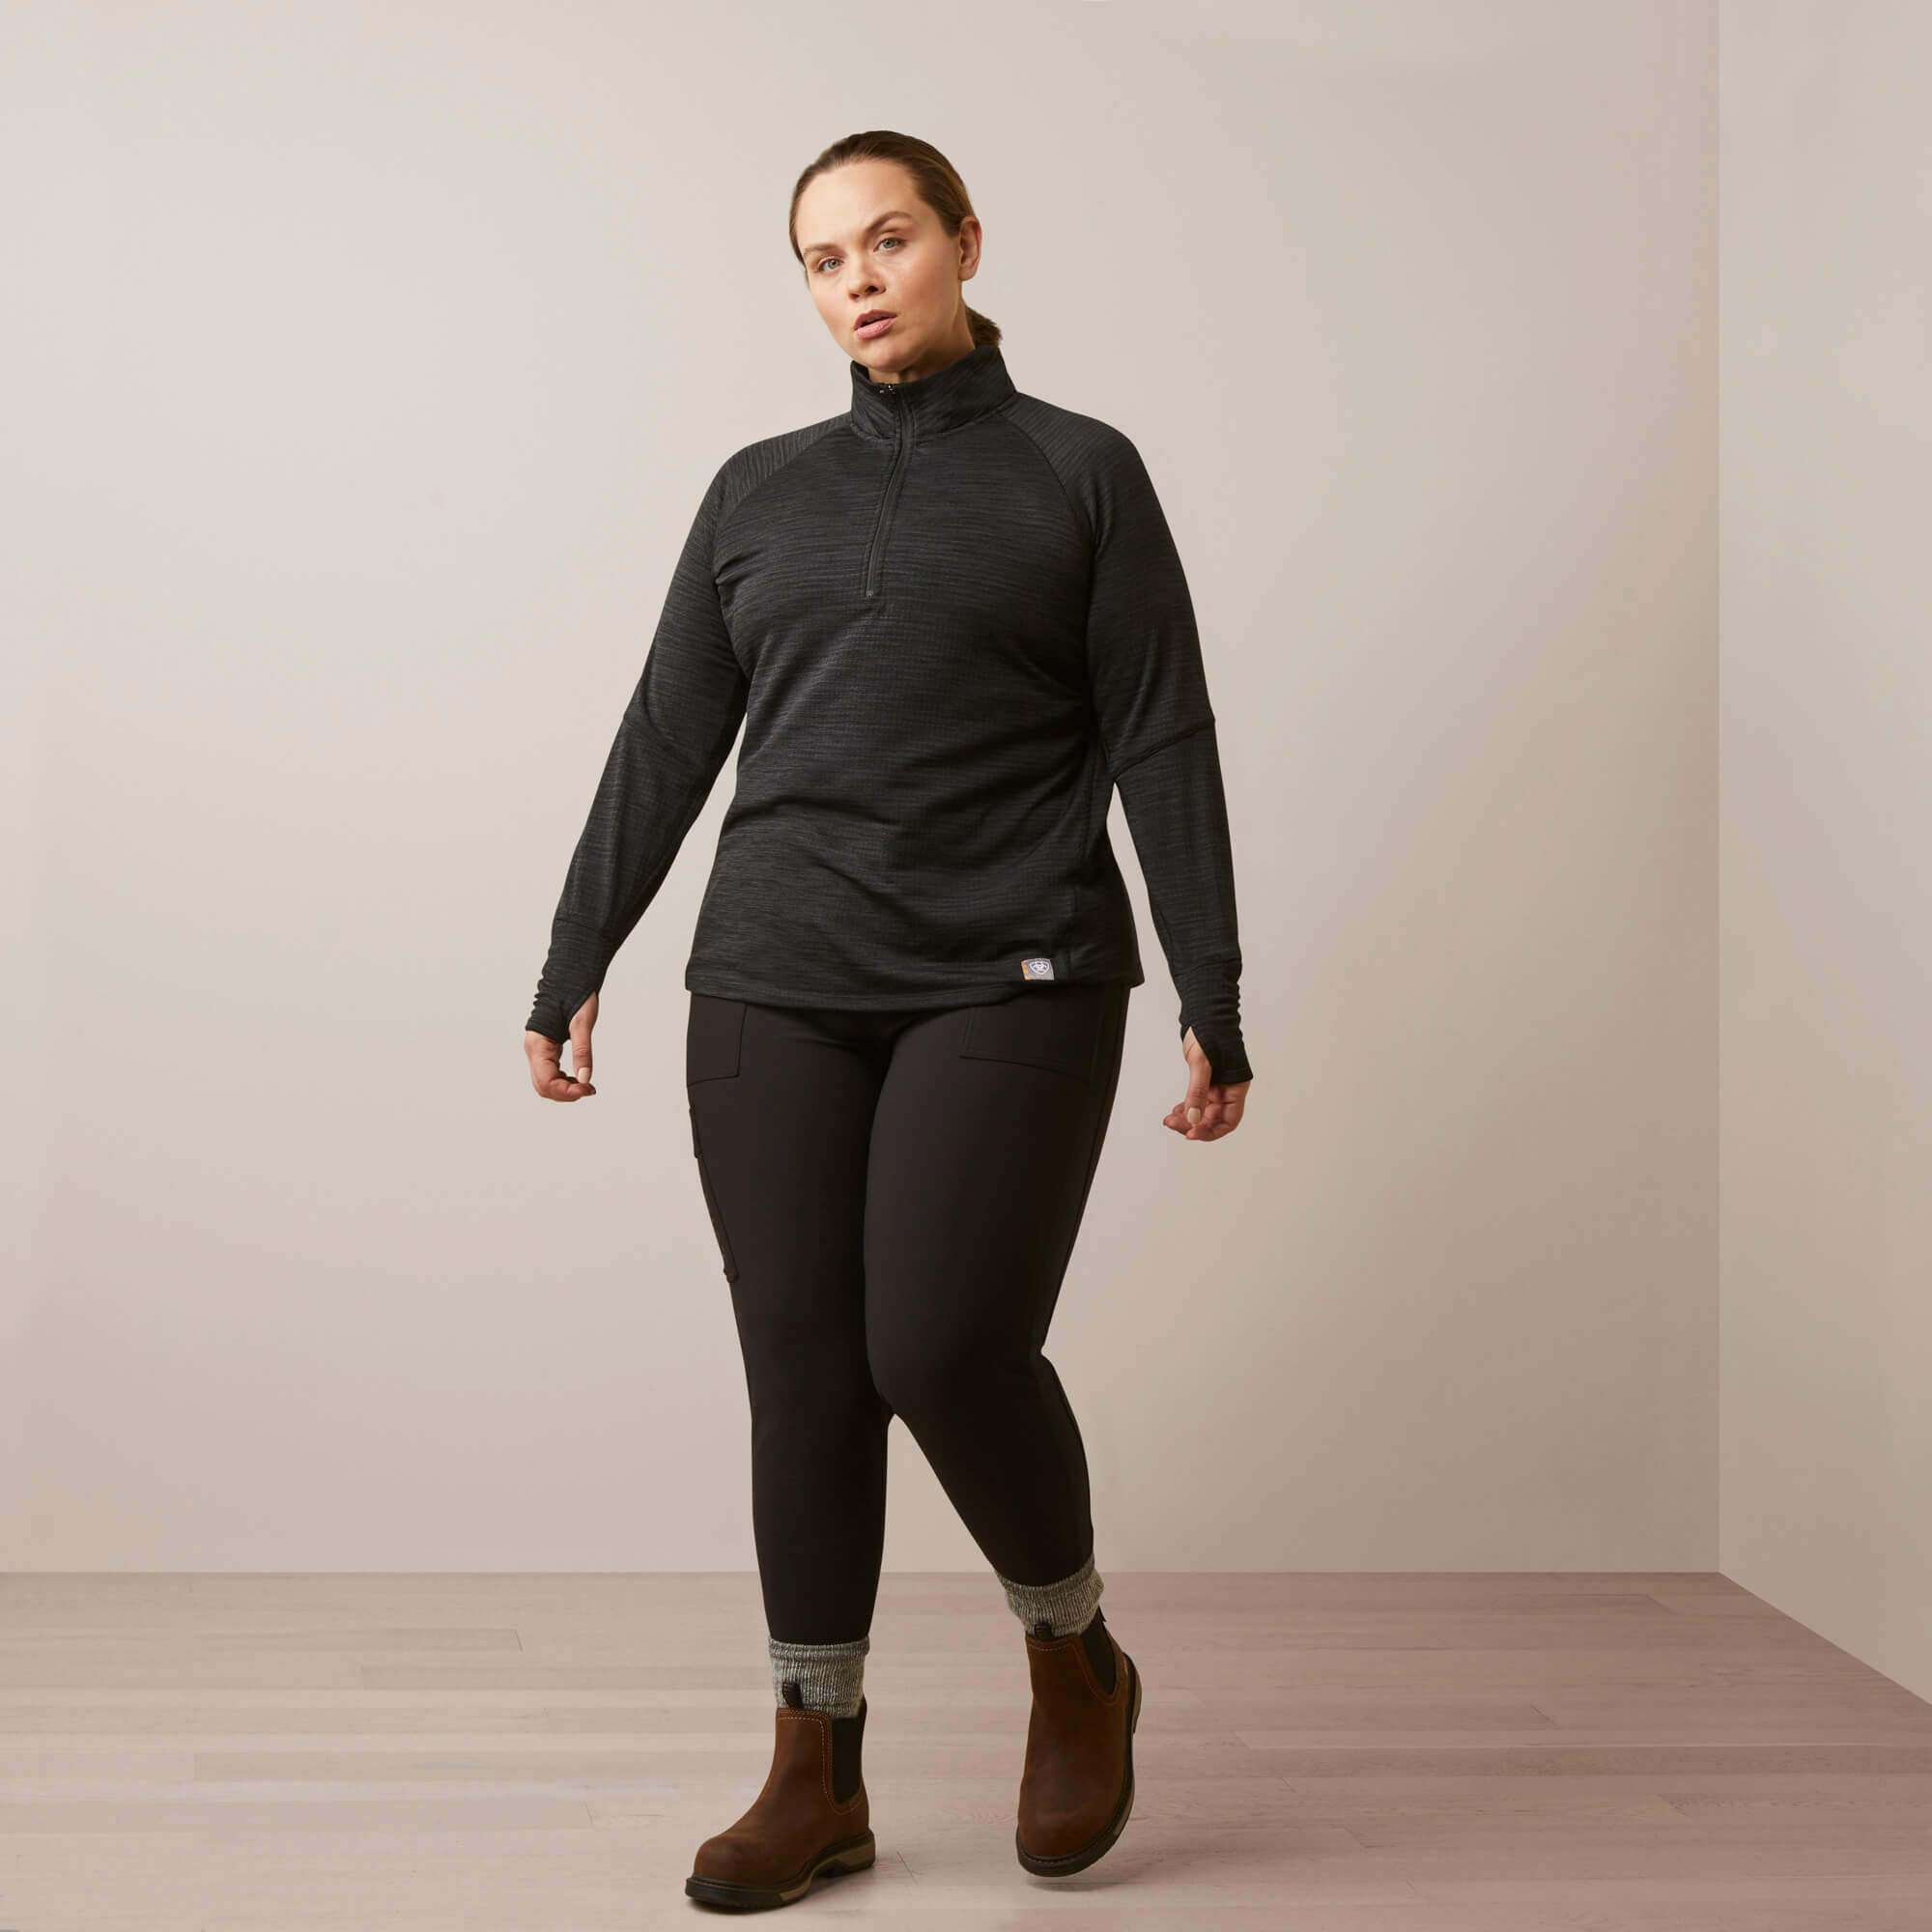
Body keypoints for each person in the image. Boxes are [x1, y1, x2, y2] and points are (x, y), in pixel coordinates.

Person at [522, 129, 1254, 1910]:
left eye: (889, 239)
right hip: (772, 976)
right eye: (821, 257)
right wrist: (576, 950)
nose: (856, 279)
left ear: (965, 243)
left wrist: (1212, 987)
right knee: (804, 1373)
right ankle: (816, 1767)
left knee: (938, 1346)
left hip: (1013, 969)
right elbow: (668, 733)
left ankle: (1075, 1657)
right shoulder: (755, 490)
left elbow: (1161, 731)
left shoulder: (1082, 472)